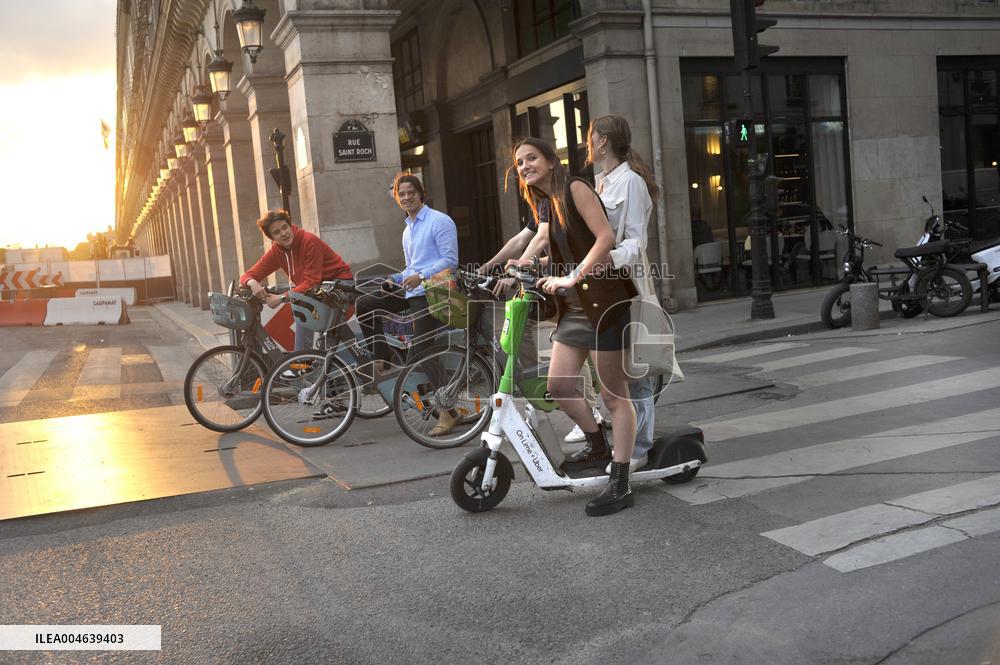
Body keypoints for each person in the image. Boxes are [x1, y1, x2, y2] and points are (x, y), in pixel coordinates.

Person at [513, 136, 639, 517]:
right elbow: (555, 245)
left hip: (603, 302)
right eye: (519, 163)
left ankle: (620, 481)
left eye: (531, 158)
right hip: (574, 307)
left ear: (551, 161)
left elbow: (605, 238)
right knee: (559, 386)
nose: (524, 166)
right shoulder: (546, 202)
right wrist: (524, 264)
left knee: (615, 397)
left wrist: (571, 277)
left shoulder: (575, 188)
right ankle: (597, 447)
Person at [355, 173, 459, 436]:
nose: (406, 197)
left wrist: (421, 276)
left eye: (411, 192)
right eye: (401, 194)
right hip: (412, 290)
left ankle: (447, 413)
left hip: (435, 292)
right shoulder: (407, 229)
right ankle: (382, 356)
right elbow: (411, 267)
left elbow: (450, 260)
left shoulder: (439, 220)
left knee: (421, 350)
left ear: (421, 193)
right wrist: (396, 279)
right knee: (365, 304)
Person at [588, 114, 664, 474]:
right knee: (613, 368)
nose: (587, 142)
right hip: (600, 285)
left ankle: (640, 447)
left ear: (603, 140)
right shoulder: (600, 182)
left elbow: (636, 240)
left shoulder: (631, 181)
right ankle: (620, 436)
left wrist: (608, 260)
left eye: (590, 135)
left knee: (636, 370)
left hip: (627, 284)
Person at [240, 209, 352, 351]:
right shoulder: (277, 251)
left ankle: (304, 360)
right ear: (272, 238)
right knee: (306, 313)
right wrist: (252, 282)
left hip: (340, 286)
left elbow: (312, 282)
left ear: (290, 225)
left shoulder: (309, 241)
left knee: (305, 312)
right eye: (276, 232)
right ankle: (305, 360)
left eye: (285, 227)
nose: (283, 233)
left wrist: (281, 298)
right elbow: (248, 275)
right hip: (319, 291)